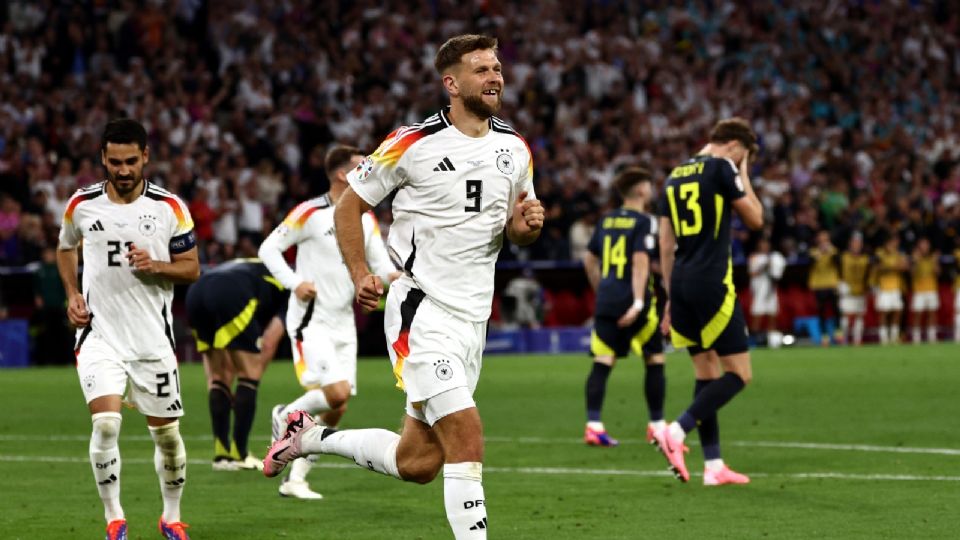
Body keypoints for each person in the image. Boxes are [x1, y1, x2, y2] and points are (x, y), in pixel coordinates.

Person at [263, 34, 543, 538]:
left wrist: (528, 224)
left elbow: (516, 230)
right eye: (481, 69)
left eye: (497, 67)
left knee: (416, 462)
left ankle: (306, 439)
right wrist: (359, 274)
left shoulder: (515, 149)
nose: (495, 76)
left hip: (472, 321)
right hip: (423, 310)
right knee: (466, 433)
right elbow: (350, 203)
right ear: (451, 83)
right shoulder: (411, 143)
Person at [56, 118, 199, 540]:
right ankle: (114, 519)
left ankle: (171, 518)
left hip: (152, 341)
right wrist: (71, 293)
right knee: (105, 426)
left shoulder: (169, 207)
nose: (122, 170)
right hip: (100, 337)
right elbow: (65, 247)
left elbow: (191, 269)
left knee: (168, 438)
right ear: (103, 158)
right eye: (114, 162)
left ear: (146, 157)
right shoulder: (81, 204)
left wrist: (156, 266)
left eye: (130, 161)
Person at [258, 144, 399, 500]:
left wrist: (399, 278)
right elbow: (268, 249)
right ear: (342, 174)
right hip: (311, 320)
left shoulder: (363, 218)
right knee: (334, 393)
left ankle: (295, 479)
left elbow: (381, 265)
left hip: (342, 321)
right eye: (360, 165)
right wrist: (295, 283)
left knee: (339, 406)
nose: (368, 168)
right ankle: (285, 414)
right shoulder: (310, 212)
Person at [655, 117, 763, 485]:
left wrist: (670, 297)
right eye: (744, 155)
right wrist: (742, 171)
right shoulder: (722, 167)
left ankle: (713, 466)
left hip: (682, 283)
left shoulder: (674, 176)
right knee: (739, 374)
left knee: (707, 372)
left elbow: (665, 245)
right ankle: (677, 430)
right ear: (735, 146)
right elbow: (756, 219)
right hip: (712, 281)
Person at [581, 166, 666, 447]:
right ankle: (656, 425)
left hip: (608, 297)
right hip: (635, 300)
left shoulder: (606, 221)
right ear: (642, 190)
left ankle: (594, 425)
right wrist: (639, 301)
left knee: (603, 361)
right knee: (654, 359)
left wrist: (601, 288)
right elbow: (641, 260)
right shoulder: (646, 222)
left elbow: (589, 260)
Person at [185, 258, 288, 471]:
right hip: (232, 291)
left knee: (218, 378)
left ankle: (222, 455)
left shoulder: (260, 266)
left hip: (196, 291)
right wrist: (253, 377)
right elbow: (269, 342)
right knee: (249, 375)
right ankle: (239, 454)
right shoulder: (292, 290)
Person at [748, 237, 786, 347]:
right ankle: (753, 340)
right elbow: (752, 273)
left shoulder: (774, 257)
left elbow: (778, 274)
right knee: (757, 313)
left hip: (770, 290)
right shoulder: (754, 257)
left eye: (766, 244)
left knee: (772, 313)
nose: (764, 246)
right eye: (762, 244)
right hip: (759, 290)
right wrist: (764, 266)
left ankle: (771, 339)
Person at [873, 234, 907, 344]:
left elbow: (904, 267)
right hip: (883, 287)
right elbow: (878, 267)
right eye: (893, 242)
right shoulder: (879, 253)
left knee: (897, 311)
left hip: (896, 286)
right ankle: (883, 337)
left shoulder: (899, 254)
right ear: (887, 243)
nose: (895, 244)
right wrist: (894, 267)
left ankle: (893, 336)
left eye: (896, 242)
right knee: (884, 312)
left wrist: (888, 267)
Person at [808, 230, 840, 345]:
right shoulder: (813, 252)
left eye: (825, 238)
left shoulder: (834, 251)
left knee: (836, 309)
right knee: (821, 310)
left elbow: (838, 263)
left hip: (832, 283)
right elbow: (810, 264)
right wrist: (819, 253)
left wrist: (830, 252)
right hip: (818, 284)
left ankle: (837, 332)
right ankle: (824, 335)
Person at [839, 232, 870, 346]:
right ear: (850, 244)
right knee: (846, 315)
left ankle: (857, 340)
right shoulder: (843, 257)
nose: (856, 245)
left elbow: (868, 274)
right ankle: (844, 340)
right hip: (847, 290)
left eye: (858, 243)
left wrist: (867, 287)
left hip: (860, 290)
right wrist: (840, 284)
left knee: (859, 315)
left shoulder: (865, 258)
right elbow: (838, 272)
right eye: (854, 243)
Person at [909, 237, 940, 344]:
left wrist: (935, 262)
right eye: (922, 245)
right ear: (919, 246)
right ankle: (916, 337)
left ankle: (932, 337)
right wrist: (916, 261)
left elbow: (938, 273)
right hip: (919, 290)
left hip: (931, 289)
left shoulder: (932, 258)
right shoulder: (915, 258)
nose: (924, 247)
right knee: (917, 314)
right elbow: (912, 274)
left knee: (932, 313)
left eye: (926, 245)